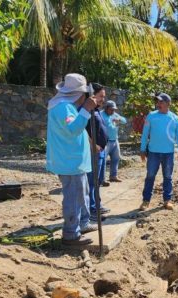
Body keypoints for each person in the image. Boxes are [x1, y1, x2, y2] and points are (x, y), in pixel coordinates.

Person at [46, 73, 99, 246]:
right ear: (79, 94)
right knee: (74, 198)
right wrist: (86, 109)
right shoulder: (63, 108)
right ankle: (71, 234)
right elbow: (73, 129)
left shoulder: (66, 106)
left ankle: (82, 224)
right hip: (69, 161)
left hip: (74, 161)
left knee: (81, 194)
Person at [139, 93, 178, 211]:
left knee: (168, 177)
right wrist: (142, 149)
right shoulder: (151, 116)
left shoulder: (174, 119)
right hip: (153, 152)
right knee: (150, 176)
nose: (158, 104)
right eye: (157, 102)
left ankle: (167, 200)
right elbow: (145, 134)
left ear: (168, 104)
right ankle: (146, 201)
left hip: (168, 153)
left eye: (161, 102)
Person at [85, 83, 111, 217]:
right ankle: (92, 209)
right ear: (92, 95)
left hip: (101, 151)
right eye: (101, 96)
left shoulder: (96, 110)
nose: (103, 99)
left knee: (98, 180)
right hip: (93, 151)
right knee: (92, 181)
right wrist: (92, 144)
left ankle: (97, 204)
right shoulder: (86, 111)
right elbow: (83, 130)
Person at [101, 100, 126, 183]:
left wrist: (118, 119)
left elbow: (124, 120)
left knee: (116, 158)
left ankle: (113, 176)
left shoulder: (114, 115)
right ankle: (102, 179)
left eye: (114, 109)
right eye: (111, 109)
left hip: (115, 140)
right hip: (105, 141)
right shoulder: (101, 114)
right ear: (106, 108)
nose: (113, 111)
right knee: (102, 160)